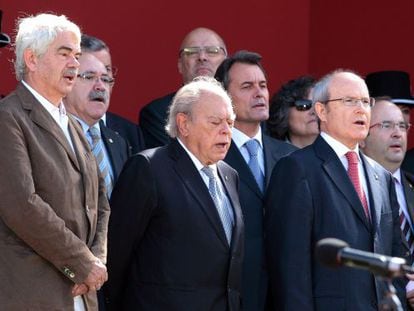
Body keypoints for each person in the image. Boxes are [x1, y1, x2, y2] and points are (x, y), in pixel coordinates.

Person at [265, 69, 406, 310]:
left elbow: (395, 255)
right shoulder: (296, 169)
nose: (361, 109)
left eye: (365, 101)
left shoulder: (381, 176)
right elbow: (290, 268)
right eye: (349, 101)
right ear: (321, 111)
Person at [105, 77, 244, 310]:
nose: (226, 131)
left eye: (230, 122)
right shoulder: (149, 168)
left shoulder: (230, 176)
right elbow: (117, 253)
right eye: (215, 122)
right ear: (183, 124)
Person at [0, 13, 109, 310]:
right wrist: (82, 262)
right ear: (32, 59)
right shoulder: (8, 117)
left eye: (76, 55)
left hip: (82, 293)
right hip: (33, 295)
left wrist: (95, 263)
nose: (75, 63)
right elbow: (22, 205)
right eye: (64, 54)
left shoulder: (73, 123)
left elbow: (99, 198)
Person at [214, 50, 296, 311]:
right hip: (230, 293)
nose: (259, 93)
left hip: (283, 292)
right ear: (224, 97)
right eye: (247, 86)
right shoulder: (212, 156)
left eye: (262, 85)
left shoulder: (291, 156)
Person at [360, 98, 414, 308]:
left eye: (402, 126)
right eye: (386, 125)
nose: (397, 133)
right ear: (362, 138)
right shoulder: (353, 190)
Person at [139, 27, 227, 148]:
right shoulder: (158, 114)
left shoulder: (244, 108)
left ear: (226, 63)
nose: (202, 57)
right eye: (191, 52)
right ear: (180, 65)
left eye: (212, 51)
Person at [64, 53, 129, 197]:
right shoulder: (53, 133)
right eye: (89, 77)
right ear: (67, 82)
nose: (100, 87)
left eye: (105, 80)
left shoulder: (119, 142)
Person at [81, 34, 145, 155]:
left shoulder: (129, 133)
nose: (99, 84)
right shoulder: (58, 129)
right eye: (90, 75)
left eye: (106, 71)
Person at [267, 75, 318, 148]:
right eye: (304, 104)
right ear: (283, 112)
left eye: (319, 104)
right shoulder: (267, 155)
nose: (314, 111)